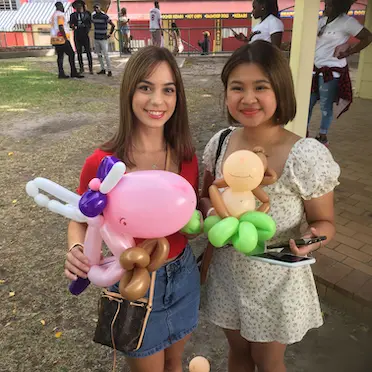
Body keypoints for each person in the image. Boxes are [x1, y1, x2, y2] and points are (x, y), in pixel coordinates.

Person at [199, 40, 340, 372]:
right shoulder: (220, 143)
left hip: (276, 283)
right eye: (237, 88)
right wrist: (210, 215)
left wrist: (309, 241)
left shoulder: (306, 155)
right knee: (238, 352)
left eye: (260, 87)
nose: (248, 98)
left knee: (267, 359)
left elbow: (325, 222)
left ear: (280, 91)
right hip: (228, 274)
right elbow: (206, 196)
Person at [64, 46, 200, 372]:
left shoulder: (187, 157)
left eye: (168, 90)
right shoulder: (102, 163)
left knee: (175, 362)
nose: (157, 101)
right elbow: (81, 219)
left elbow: (191, 216)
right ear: (130, 92)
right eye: (145, 87)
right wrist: (77, 249)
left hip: (182, 276)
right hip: (130, 282)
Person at [307, 0, 372, 146]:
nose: (326, 7)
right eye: (326, 4)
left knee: (325, 105)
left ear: (338, 7)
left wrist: (350, 51)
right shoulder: (322, 21)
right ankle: (303, 131)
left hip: (331, 71)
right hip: (315, 69)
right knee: (308, 103)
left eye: (330, 5)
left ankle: (322, 136)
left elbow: (367, 37)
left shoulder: (347, 22)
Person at [50, 1, 83, 79]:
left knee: (60, 56)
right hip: (61, 38)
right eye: (62, 6)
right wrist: (65, 37)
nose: (63, 8)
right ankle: (73, 72)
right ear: (60, 7)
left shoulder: (53, 15)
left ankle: (61, 73)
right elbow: (61, 26)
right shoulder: (60, 15)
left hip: (54, 39)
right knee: (71, 54)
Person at [92, 4, 115, 77]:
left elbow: (113, 25)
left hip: (103, 38)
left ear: (100, 8)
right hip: (96, 37)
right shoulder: (94, 16)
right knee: (99, 54)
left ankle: (109, 70)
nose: (96, 9)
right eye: (95, 8)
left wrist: (110, 34)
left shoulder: (105, 16)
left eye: (97, 8)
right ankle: (103, 68)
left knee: (106, 55)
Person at [69, 0, 93, 74]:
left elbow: (89, 24)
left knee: (88, 52)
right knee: (79, 52)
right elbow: (71, 24)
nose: (78, 7)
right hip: (77, 35)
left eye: (79, 6)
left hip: (85, 34)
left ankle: (90, 68)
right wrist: (72, 26)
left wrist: (86, 28)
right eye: (76, 6)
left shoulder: (87, 14)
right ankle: (81, 67)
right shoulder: (73, 15)